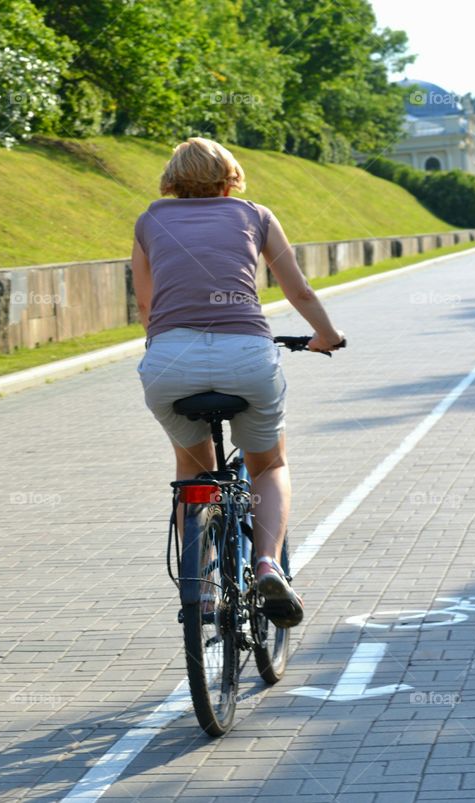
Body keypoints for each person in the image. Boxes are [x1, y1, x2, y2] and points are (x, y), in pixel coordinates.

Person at [132, 137, 344, 628]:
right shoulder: (255, 215)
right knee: (269, 465)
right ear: (230, 177)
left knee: (194, 475)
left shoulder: (150, 219)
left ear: (172, 179)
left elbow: (146, 307)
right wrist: (326, 336)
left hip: (169, 361)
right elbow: (299, 289)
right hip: (246, 356)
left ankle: (199, 590)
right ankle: (268, 563)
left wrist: (171, 343)